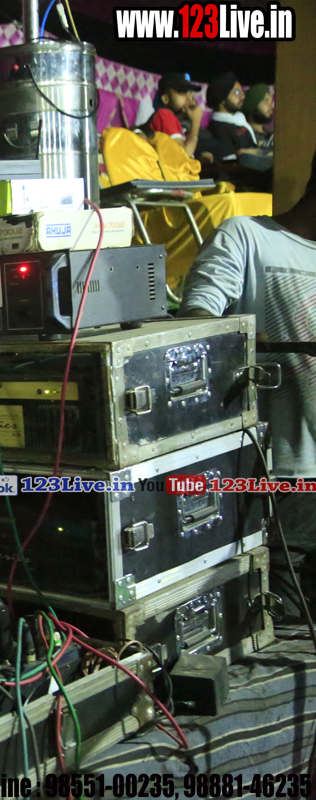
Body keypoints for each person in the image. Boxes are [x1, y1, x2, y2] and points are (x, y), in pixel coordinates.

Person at [180, 150, 316, 550]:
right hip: (279, 473)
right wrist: (247, 340)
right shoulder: (245, 235)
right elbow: (195, 321)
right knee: (284, 584)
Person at [145, 72, 207, 160]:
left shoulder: (178, 120)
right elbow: (182, 154)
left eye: (190, 93)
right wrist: (196, 122)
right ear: (166, 99)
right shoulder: (164, 115)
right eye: (182, 92)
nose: (189, 98)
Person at [205, 72, 260, 160]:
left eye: (242, 91)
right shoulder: (219, 129)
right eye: (237, 92)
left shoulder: (238, 121)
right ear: (222, 98)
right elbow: (229, 161)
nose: (242, 96)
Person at [244, 84, 274, 149]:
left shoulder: (271, 136)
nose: (272, 106)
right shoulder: (243, 137)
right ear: (252, 106)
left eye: (271, 101)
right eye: (266, 101)